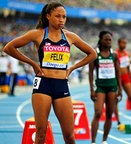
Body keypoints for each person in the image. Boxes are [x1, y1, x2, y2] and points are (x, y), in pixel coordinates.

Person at [3, 2, 97, 144]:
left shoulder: (70, 37)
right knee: (41, 133)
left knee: (70, 135)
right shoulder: (38, 34)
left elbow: (92, 54)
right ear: (48, 16)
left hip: (62, 85)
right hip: (43, 85)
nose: (61, 20)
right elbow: (9, 48)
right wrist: (32, 63)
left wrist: (72, 68)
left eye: (64, 17)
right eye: (57, 16)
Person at [89, 31, 122, 144]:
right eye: (106, 39)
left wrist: (120, 90)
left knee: (109, 114)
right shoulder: (95, 54)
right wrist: (92, 90)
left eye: (110, 40)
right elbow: (90, 72)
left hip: (112, 87)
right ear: (101, 40)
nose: (108, 42)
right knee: (98, 112)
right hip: (100, 87)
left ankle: (104, 140)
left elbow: (118, 73)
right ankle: (93, 141)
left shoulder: (115, 55)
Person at [114, 37, 131, 127]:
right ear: (118, 43)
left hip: (126, 77)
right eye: (122, 43)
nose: (124, 45)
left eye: (125, 43)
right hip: (117, 77)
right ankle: (118, 121)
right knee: (116, 99)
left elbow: (128, 68)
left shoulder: (127, 54)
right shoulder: (115, 54)